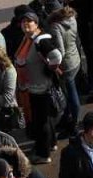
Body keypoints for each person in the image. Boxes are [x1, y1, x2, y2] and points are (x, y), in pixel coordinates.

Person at [15, 12, 65, 163]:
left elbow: (56, 55)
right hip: (35, 86)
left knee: (40, 121)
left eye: (29, 22)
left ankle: (43, 154)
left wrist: (49, 68)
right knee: (45, 119)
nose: (25, 24)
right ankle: (51, 143)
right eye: (23, 22)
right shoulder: (28, 39)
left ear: (36, 24)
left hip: (40, 88)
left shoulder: (40, 40)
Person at [48, 4, 88, 133]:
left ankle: (73, 123)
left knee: (70, 95)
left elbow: (60, 51)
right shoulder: (72, 19)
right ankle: (68, 118)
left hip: (66, 65)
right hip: (75, 59)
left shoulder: (55, 27)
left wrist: (52, 64)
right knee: (72, 91)